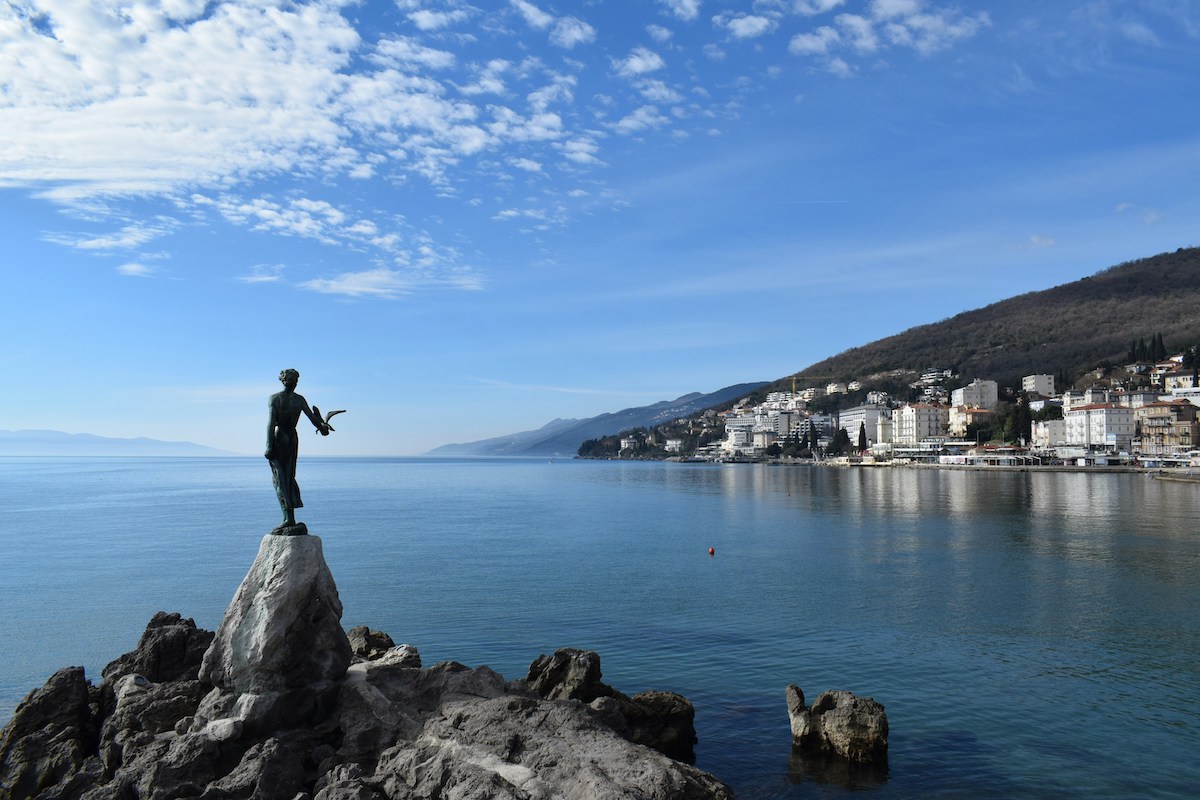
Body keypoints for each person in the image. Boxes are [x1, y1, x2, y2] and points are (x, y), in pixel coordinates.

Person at [266, 369, 329, 530]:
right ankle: (289, 518)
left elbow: (271, 423)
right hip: (292, 438)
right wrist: (322, 428)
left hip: (281, 438)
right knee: (287, 477)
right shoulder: (299, 399)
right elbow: (313, 419)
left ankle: (288, 518)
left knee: (280, 479)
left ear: (282, 381)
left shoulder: (275, 398)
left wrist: (269, 445)